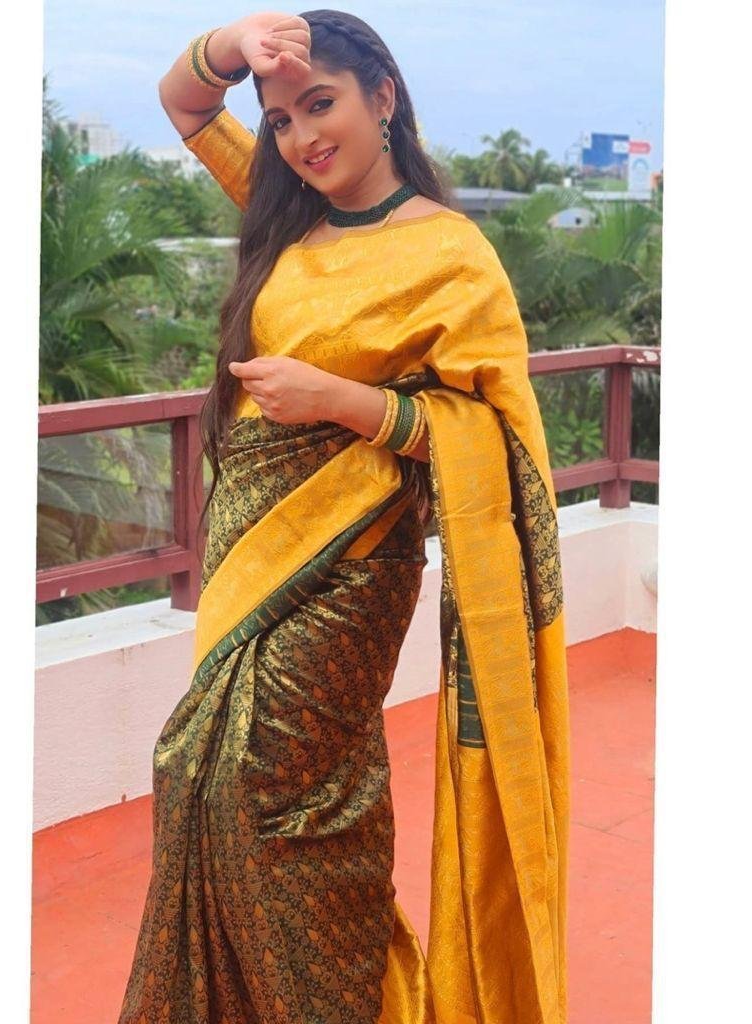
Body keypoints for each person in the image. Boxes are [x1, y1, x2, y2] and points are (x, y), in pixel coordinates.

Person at [118, 9, 571, 1024]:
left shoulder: (452, 254)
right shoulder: (284, 213)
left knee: (262, 789)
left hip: (356, 562)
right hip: (250, 549)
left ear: (384, 96)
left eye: (320, 104)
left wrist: (344, 402)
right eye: (280, 119)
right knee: (200, 772)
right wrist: (234, 46)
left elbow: (499, 440)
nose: (301, 138)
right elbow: (184, 103)